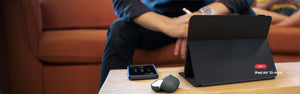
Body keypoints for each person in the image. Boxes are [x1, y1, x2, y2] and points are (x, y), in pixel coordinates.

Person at [99, 0, 255, 88]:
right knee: (120, 29)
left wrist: (199, 18)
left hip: (209, 16)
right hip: (156, 21)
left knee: (248, 16)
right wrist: (169, 26)